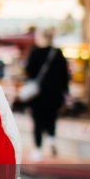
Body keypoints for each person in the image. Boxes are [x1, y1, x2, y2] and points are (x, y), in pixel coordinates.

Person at [23, 28, 70, 161]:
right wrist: (65, 92)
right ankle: (51, 139)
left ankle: (38, 150)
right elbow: (65, 75)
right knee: (52, 117)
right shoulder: (57, 53)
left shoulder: (35, 52)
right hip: (55, 94)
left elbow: (28, 72)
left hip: (38, 94)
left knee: (37, 121)